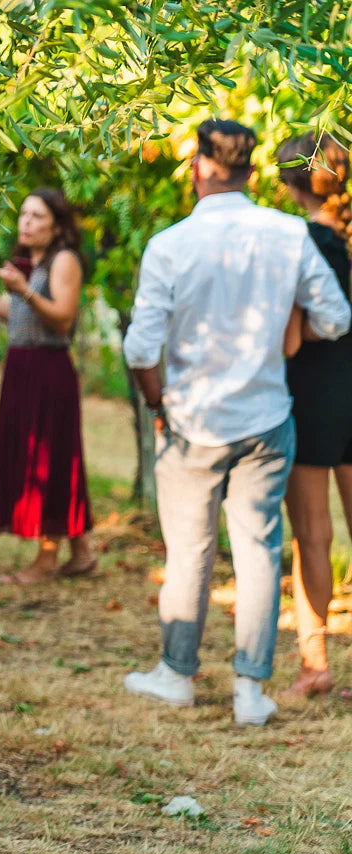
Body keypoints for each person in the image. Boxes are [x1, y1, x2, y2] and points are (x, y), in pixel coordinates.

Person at [121, 119, 350, 726]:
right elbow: (333, 317)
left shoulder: (169, 244)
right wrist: (286, 331)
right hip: (266, 417)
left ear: (198, 168)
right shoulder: (287, 234)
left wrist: (155, 404)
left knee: (190, 548)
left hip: (192, 417)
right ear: (251, 172)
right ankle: (251, 690)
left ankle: (176, 673)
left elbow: (141, 350)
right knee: (258, 550)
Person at [0, 189, 96, 584]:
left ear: (56, 226)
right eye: (23, 214)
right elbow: (18, 316)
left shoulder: (64, 261)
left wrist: (23, 289)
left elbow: (61, 318)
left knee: (51, 459)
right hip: (22, 366)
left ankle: (45, 560)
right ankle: (82, 554)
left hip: (48, 369)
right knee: (51, 456)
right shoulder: (35, 263)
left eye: (37, 216)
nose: (26, 222)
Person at [276, 133, 352, 699]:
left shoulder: (297, 242)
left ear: (289, 182)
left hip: (314, 391)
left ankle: (315, 664)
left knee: (312, 536)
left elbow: (294, 339)